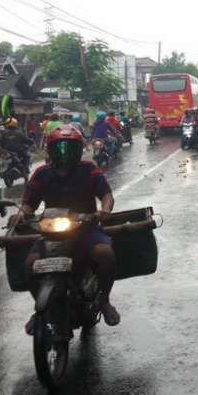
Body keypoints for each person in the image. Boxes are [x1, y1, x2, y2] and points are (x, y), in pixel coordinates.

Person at [9, 125, 119, 334]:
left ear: (78, 150)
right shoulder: (41, 173)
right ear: (51, 150)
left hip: (86, 229)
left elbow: (106, 195)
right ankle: (39, 309)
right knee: (30, 264)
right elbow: (28, 203)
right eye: (59, 148)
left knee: (105, 254)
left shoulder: (89, 169)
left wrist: (105, 210)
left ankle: (104, 301)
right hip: (51, 232)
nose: (64, 153)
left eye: (69, 148)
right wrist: (21, 214)